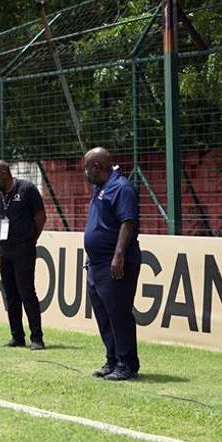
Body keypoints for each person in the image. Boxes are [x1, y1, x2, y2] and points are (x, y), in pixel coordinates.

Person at [82, 148, 142, 381]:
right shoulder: (100, 188)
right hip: (96, 263)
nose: (85, 173)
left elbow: (128, 223)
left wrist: (118, 256)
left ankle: (127, 364)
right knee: (103, 315)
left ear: (97, 167)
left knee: (119, 314)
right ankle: (112, 359)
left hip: (115, 263)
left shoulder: (121, 188)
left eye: (87, 168)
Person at [0, 160, 47, 350]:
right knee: (10, 295)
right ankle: (17, 336)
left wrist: (31, 239)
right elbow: (0, 219)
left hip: (23, 250)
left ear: (4, 173)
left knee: (27, 292)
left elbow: (40, 217)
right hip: (4, 251)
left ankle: (37, 338)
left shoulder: (27, 189)